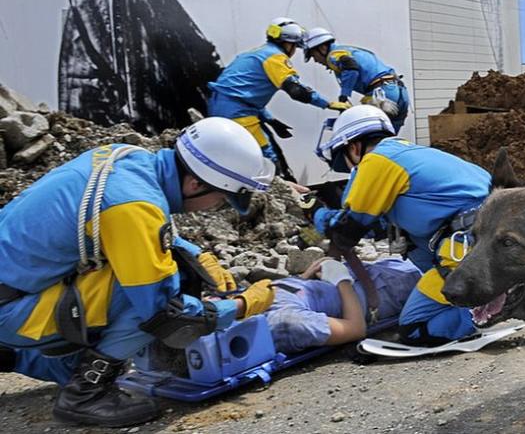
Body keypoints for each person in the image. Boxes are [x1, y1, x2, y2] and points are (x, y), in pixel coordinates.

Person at [0, 118, 277, 427]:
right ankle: (85, 394)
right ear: (195, 184)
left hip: (13, 287)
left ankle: (12, 354)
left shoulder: (127, 158)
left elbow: (123, 222)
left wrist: (197, 253)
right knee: (151, 297)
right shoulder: (134, 205)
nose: (214, 207)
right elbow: (167, 315)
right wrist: (241, 306)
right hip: (10, 308)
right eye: (222, 198)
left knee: (161, 269)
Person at [308, 105, 489, 346]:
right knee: (410, 242)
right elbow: (378, 228)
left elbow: (346, 231)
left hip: (469, 248)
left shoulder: (376, 162)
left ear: (354, 147)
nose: (353, 172)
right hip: (489, 239)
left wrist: (312, 210)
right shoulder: (408, 156)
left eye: (349, 164)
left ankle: (477, 313)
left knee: (415, 328)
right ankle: (483, 296)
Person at [207, 18, 348, 165]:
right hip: (237, 114)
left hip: (221, 105)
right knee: (265, 159)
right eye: (295, 46)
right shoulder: (276, 58)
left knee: (234, 156)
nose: (294, 51)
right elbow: (297, 91)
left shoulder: (255, 54)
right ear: (288, 44)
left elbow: (244, 93)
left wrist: (271, 120)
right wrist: (328, 104)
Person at [265, 257, 420, 353]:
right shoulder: (286, 323)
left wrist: (303, 277)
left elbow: (291, 293)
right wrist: (341, 279)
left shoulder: (252, 301)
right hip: (385, 291)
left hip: (370, 272)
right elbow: (356, 329)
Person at [302, 28, 410, 132]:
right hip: (399, 92)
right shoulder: (350, 50)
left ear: (322, 48)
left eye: (313, 55)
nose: (315, 60)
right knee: (388, 139)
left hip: (382, 94)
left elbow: (351, 68)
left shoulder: (334, 55)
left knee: (369, 137)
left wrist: (344, 97)